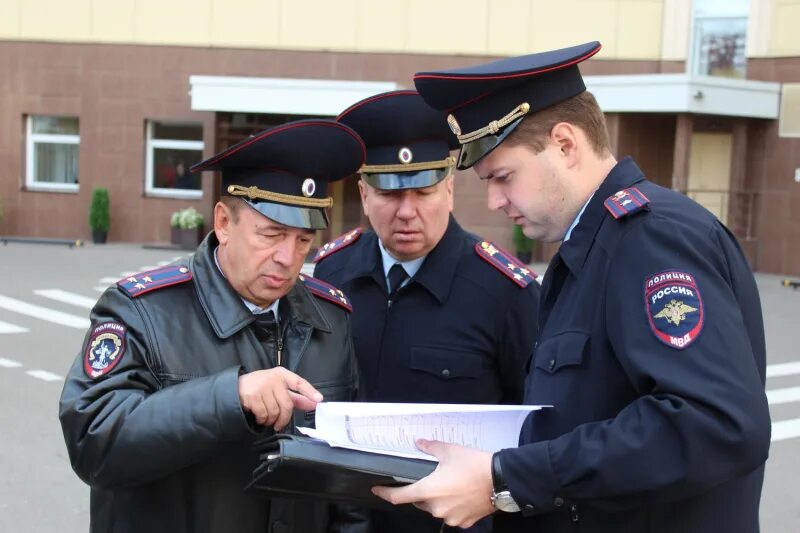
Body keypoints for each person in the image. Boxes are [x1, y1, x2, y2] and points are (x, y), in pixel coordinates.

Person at [372, 41, 772, 533]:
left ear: (565, 144)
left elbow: (715, 425)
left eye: (502, 177)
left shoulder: (652, 239)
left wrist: (506, 477)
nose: (495, 201)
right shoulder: (595, 245)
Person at [59, 119, 368, 533]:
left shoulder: (331, 318)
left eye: (302, 240)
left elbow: (348, 482)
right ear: (223, 223)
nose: (287, 257)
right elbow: (94, 443)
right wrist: (229, 396)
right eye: (271, 234)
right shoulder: (143, 311)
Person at [313, 90, 541, 533]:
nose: (407, 212)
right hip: (343, 517)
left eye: (424, 192)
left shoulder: (503, 291)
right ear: (362, 193)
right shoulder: (332, 270)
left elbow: (533, 432)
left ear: (450, 189)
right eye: (389, 194)